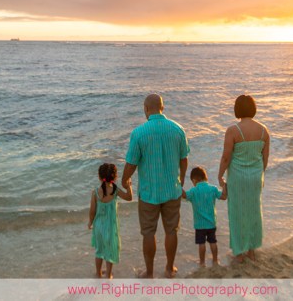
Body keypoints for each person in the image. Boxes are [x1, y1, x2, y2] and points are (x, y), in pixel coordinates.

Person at [122, 94, 190, 278]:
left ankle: (150, 273)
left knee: (148, 233)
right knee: (171, 231)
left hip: (148, 193)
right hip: (172, 190)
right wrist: (182, 179)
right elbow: (184, 159)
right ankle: (169, 268)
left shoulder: (139, 133)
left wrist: (124, 180)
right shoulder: (178, 129)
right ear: (162, 107)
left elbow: (131, 163)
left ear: (145, 109)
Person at [218, 94, 270, 262]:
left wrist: (220, 176)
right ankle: (251, 251)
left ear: (237, 109)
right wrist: (259, 174)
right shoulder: (263, 131)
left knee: (237, 213)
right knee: (253, 212)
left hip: (238, 178)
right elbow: (265, 159)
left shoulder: (233, 130)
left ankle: (239, 252)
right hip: (255, 177)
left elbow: (226, 157)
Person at [88, 163, 133, 278]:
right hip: (111, 227)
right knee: (110, 250)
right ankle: (108, 274)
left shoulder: (95, 192)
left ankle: (98, 273)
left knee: (99, 251)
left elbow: (92, 211)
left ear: (99, 177)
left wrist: (90, 222)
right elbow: (129, 197)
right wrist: (129, 186)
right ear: (115, 177)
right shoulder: (115, 190)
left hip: (99, 227)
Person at [182, 166, 227, 266]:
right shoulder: (212, 189)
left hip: (199, 225)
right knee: (213, 242)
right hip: (211, 223)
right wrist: (224, 185)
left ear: (194, 180)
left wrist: (178, 186)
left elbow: (184, 195)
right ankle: (215, 260)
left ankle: (202, 262)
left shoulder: (193, 191)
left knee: (201, 243)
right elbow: (224, 196)